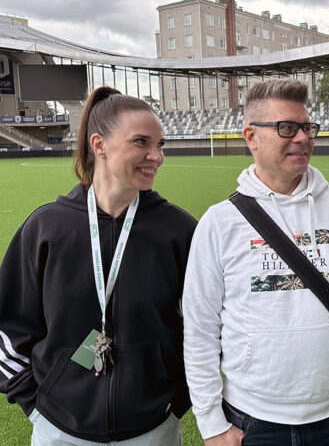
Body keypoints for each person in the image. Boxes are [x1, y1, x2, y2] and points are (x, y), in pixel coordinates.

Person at [182, 78, 329, 446]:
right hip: (253, 421)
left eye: (307, 127)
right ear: (251, 136)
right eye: (286, 127)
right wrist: (210, 421)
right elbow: (200, 328)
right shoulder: (219, 222)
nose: (302, 138)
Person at [0, 86, 197, 445]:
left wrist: (176, 400)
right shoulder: (45, 228)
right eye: (141, 142)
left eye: (161, 144)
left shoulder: (179, 231)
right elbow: (8, 327)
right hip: (59, 430)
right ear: (99, 145)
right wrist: (36, 405)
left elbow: (210, 327)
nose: (156, 156)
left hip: (153, 429)